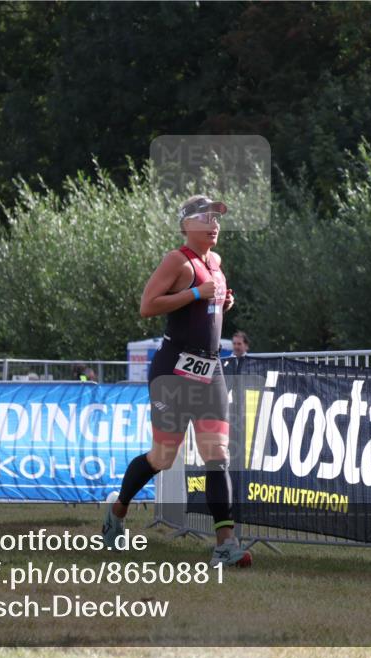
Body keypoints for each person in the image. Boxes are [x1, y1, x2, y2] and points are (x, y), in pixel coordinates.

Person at [102, 195, 251, 567]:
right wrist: (194, 294)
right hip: (173, 372)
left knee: (217, 454)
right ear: (186, 224)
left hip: (210, 370)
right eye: (206, 217)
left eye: (217, 217)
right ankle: (116, 515)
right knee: (163, 457)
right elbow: (147, 305)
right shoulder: (177, 260)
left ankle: (225, 544)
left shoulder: (215, 262)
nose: (215, 223)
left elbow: (207, 306)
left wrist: (221, 302)